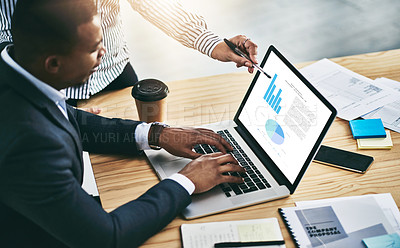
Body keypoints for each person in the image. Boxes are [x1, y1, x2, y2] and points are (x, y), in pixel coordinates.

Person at [0, 0, 246, 247]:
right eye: (94, 48)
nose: (104, 52)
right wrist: (187, 180)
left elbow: (68, 116)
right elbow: (107, 238)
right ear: (53, 63)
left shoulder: (14, 68)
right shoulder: (31, 143)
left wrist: (156, 134)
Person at [0, 0, 259, 109]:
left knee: (140, 154)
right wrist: (62, 112)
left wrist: (211, 43)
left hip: (114, 72)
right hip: (48, 86)